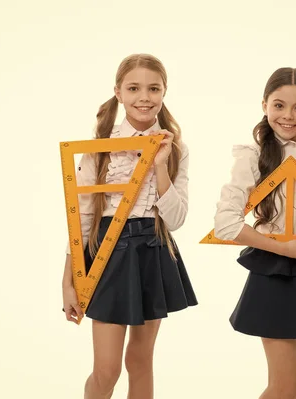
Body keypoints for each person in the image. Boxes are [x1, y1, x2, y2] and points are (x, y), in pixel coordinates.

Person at [62, 53, 197, 399]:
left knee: (140, 360)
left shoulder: (176, 148)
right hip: (107, 253)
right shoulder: (98, 149)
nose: (144, 97)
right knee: (106, 370)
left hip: (152, 250)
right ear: (118, 92)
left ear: (165, 92)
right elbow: (82, 219)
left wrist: (162, 166)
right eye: (134, 88)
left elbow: (177, 220)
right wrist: (69, 279)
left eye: (154, 88)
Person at [214, 67, 296, 399]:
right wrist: (284, 248)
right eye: (279, 105)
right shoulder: (253, 156)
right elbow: (226, 224)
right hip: (275, 272)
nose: (288, 116)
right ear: (264, 105)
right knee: (286, 388)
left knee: (287, 387)